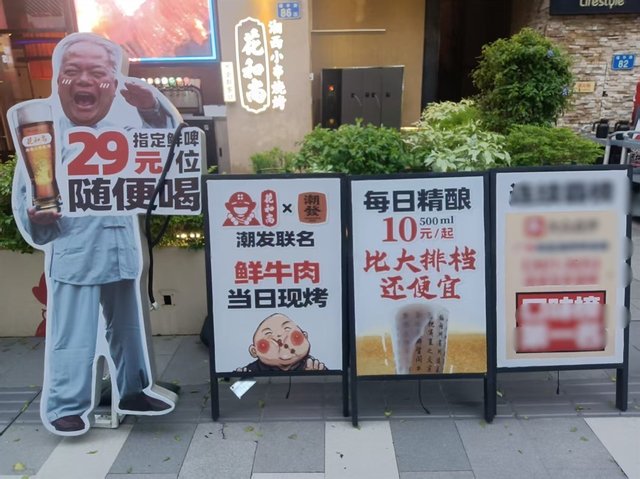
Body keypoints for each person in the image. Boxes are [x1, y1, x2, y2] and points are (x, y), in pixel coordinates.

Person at [12, 33, 177, 435]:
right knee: (73, 333)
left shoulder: (127, 125)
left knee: (129, 329)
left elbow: (174, 150)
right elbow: (25, 193)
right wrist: (37, 220)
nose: (85, 80)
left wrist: (152, 106)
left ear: (114, 82)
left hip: (120, 245)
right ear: (58, 79)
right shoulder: (42, 132)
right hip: (74, 248)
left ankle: (134, 390)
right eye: (73, 71)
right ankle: (65, 405)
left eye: (97, 73)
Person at [236, 313, 326, 372]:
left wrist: (313, 376)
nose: (279, 335)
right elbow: (237, 391)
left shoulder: (312, 365)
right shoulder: (252, 370)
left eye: (287, 328)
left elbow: (329, 391)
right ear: (254, 351)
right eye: (268, 334)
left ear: (305, 336)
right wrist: (242, 380)